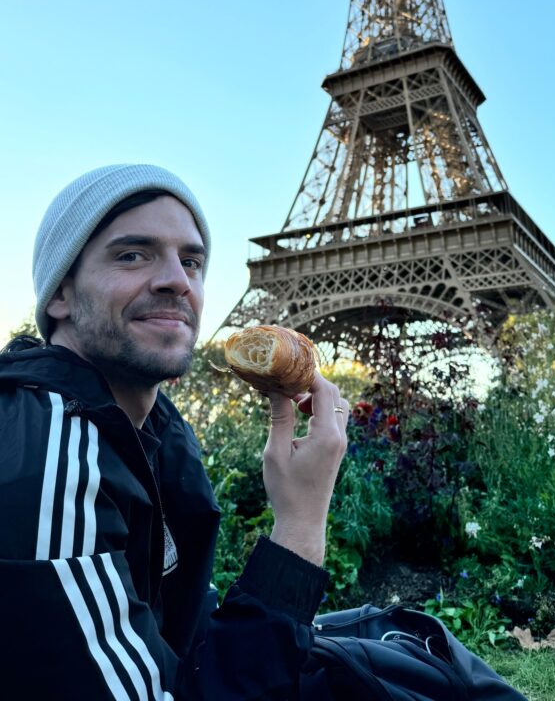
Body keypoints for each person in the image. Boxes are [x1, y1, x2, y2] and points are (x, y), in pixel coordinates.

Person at [0, 163, 349, 700]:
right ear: (60, 295)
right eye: (132, 254)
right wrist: (300, 526)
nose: (177, 281)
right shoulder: (44, 456)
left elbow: (192, 648)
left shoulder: (158, 435)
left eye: (191, 261)